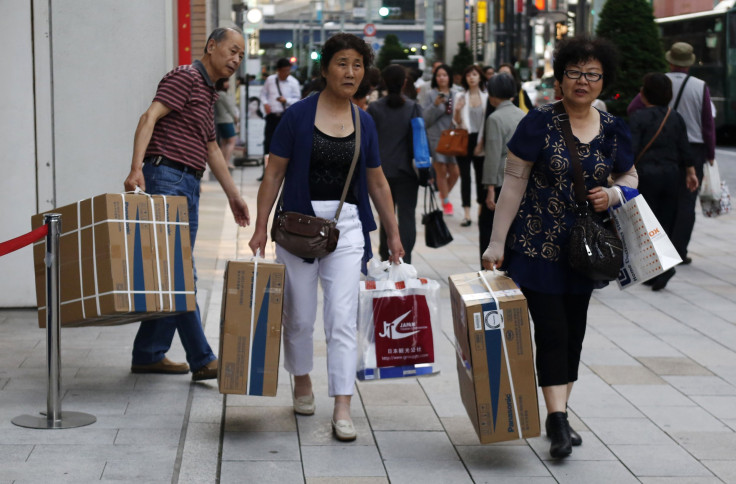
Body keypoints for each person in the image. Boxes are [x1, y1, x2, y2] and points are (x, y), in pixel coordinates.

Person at [482, 36, 638, 459]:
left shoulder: (612, 128)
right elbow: (513, 183)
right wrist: (497, 242)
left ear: (603, 80)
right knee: (551, 332)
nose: (582, 81)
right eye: (574, 73)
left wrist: (614, 196)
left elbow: (629, 178)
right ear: (561, 77)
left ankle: (561, 413)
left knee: (574, 335)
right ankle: (556, 422)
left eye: (592, 74)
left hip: (585, 254)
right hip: (536, 248)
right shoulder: (538, 122)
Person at [248, 33, 404, 442]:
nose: (350, 71)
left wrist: (393, 233)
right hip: (297, 225)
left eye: (357, 64)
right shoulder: (297, 117)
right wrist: (261, 226)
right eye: (342, 63)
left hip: (346, 227)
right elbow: (274, 173)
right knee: (298, 315)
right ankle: (302, 380)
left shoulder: (363, 121)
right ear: (324, 69)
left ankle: (342, 403)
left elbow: (378, 183)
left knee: (341, 317)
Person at [123, 27, 250, 381]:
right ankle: (202, 357)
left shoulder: (207, 92)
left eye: (241, 55)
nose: (236, 60)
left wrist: (234, 195)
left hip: (188, 183)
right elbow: (149, 117)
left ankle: (149, 353)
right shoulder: (185, 76)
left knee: (170, 273)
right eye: (232, 51)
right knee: (179, 273)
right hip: (167, 179)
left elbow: (211, 148)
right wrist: (136, 168)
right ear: (211, 46)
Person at [627, 42, 716, 265]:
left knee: (655, 204)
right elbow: (707, 123)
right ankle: (678, 251)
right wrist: (710, 153)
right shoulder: (700, 85)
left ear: (670, 60)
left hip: (656, 153)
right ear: (690, 61)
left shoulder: (657, 81)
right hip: (691, 150)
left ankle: (653, 252)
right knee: (685, 203)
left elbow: (632, 108)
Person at [629, 73, 699, 290]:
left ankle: (660, 269)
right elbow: (683, 147)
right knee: (665, 223)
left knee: (646, 224)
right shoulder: (675, 117)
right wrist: (691, 172)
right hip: (671, 175)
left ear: (644, 94)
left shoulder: (638, 117)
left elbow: (631, 149)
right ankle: (658, 270)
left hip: (646, 176)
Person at [368, 64, 422, 264]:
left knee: (386, 217)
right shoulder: (413, 107)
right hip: (408, 171)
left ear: (383, 82)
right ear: (405, 82)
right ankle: (405, 258)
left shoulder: (374, 109)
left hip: (380, 172)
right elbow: (420, 142)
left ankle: (386, 257)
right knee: (407, 216)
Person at [479, 73, 525, 269]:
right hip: (521, 182)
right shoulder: (523, 115)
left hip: (500, 182)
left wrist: (489, 188)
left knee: (489, 230)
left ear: (492, 95)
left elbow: (493, 155)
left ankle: (489, 272)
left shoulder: (495, 118)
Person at [422, 64, 460, 216]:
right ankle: (446, 202)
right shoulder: (431, 95)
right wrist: (436, 105)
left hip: (453, 136)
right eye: (439, 76)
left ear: (449, 77)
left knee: (455, 172)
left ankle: (444, 194)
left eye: (444, 75)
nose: (442, 78)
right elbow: (426, 119)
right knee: (441, 170)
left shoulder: (457, 94)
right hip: (436, 136)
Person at [453, 65, 488, 227]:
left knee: (481, 176)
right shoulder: (460, 96)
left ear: (480, 77)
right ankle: (466, 213)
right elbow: (456, 122)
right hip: (464, 139)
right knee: (465, 177)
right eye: (469, 75)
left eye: (474, 74)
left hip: (481, 140)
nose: (471, 78)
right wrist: (458, 111)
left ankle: (481, 209)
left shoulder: (486, 97)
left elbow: (488, 122)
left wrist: (481, 143)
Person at [259, 58, 301, 178]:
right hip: (272, 116)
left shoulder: (294, 82)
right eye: (283, 71)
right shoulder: (270, 80)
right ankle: (266, 171)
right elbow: (263, 94)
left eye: (288, 71)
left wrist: (286, 100)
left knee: (287, 144)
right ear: (278, 70)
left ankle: (286, 171)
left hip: (286, 117)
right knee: (268, 143)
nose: (285, 73)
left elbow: (298, 100)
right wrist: (265, 103)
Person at [214, 78, 239, 169]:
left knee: (224, 142)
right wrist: (235, 118)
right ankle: (226, 162)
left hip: (220, 120)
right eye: (226, 82)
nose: (228, 83)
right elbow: (230, 107)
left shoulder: (218, 94)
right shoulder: (222, 95)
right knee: (232, 141)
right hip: (227, 120)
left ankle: (223, 162)